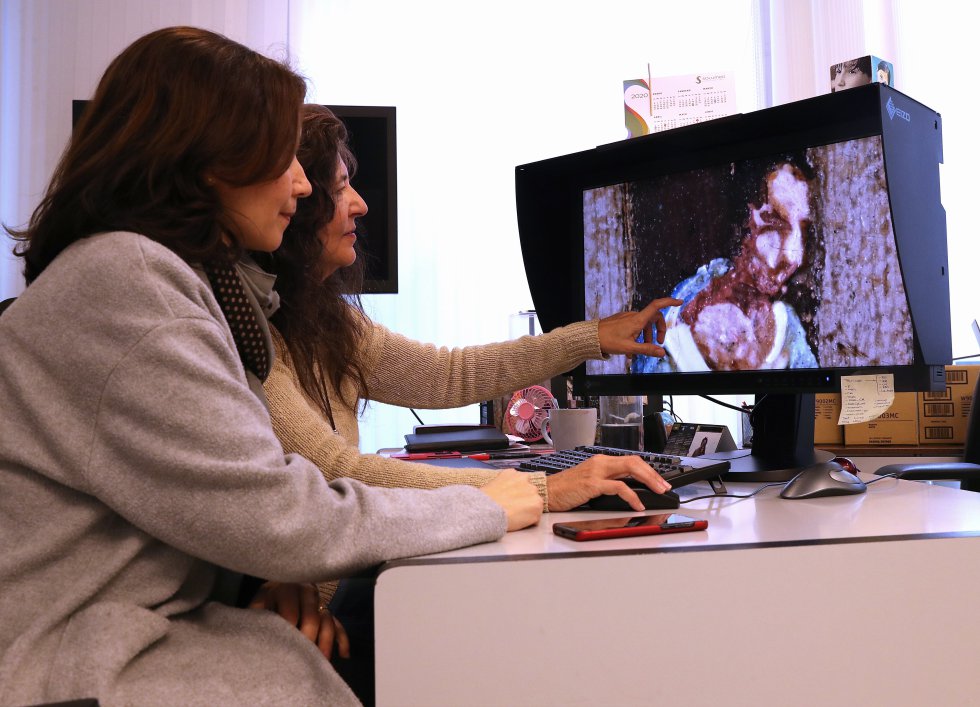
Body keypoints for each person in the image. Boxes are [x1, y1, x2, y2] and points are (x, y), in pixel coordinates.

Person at [0, 27, 545, 707]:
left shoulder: (159, 280)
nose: (302, 182)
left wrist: (252, 577)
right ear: (207, 160)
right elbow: (282, 514)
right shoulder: (129, 284)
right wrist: (480, 506)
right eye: (283, 155)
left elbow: (217, 508)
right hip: (69, 664)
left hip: (114, 632)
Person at [253, 105, 680, 703]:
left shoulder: (326, 323)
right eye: (342, 188)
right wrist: (534, 490)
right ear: (297, 214)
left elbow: (448, 373)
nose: (361, 206)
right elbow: (335, 472)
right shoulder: (254, 337)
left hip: (326, 588)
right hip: (314, 613)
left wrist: (591, 337)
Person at [633, 161, 818, 374]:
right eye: (774, 222)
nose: (793, 255)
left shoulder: (788, 333)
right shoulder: (674, 319)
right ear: (746, 225)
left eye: (803, 230)